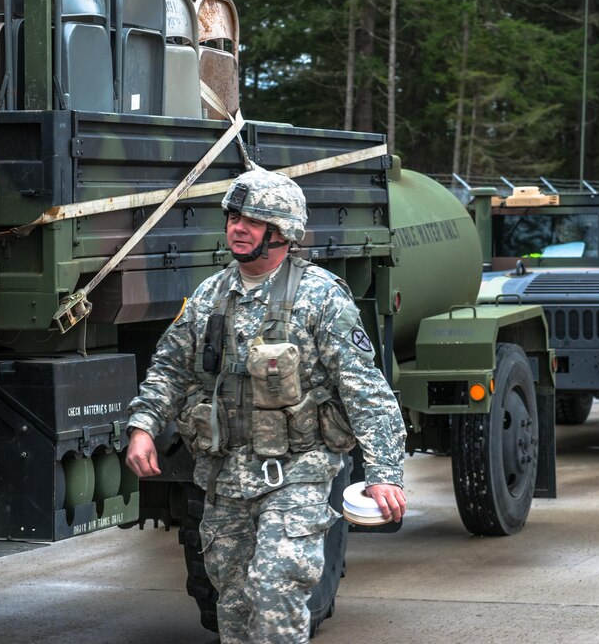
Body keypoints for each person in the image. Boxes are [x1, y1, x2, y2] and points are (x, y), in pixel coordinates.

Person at [125, 166, 407, 643]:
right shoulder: (209, 297)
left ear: (282, 233)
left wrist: (384, 474)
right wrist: (143, 426)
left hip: (297, 473)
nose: (237, 226)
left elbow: (367, 390)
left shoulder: (321, 298)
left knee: (274, 592)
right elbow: (170, 368)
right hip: (225, 476)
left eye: (251, 220)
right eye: (234, 216)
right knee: (232, 610)